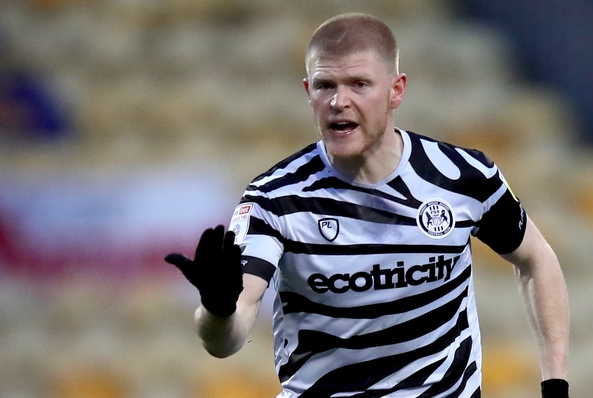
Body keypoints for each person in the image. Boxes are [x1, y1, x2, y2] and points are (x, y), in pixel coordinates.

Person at [166, 12, 570, 398]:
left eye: (359, 84)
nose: (339, 101)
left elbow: (537, 259)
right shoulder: (276, 200)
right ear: (308, 93)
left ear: (396, 90)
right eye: (325, 85)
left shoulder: (463, 176)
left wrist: (555, 387)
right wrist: (216, 310)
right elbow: (229, 334)